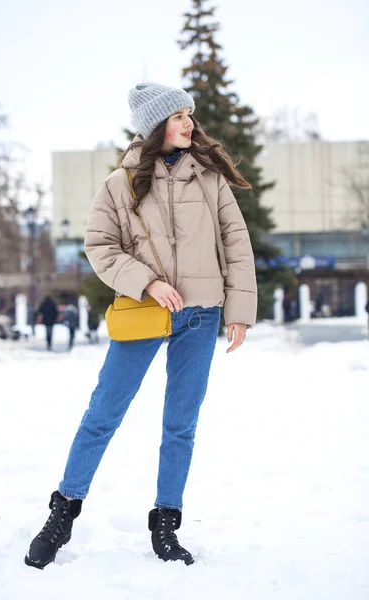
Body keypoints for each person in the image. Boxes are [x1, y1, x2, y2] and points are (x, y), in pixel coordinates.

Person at [25, 82, 258, 569]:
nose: (188, 123)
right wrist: (148, 283)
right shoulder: (120, 183)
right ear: (155, 126)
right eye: (177, 116)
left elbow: (235, 242)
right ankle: (62, 514)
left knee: (181, 426)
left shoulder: (209, 178)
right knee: (102, 415)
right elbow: (100, 246)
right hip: (145, 314)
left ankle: (166, 524)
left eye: (189, 114)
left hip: (201, 315)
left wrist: (238, 308)